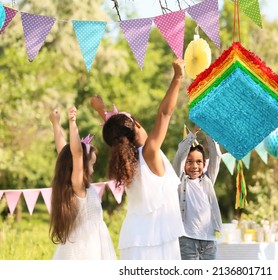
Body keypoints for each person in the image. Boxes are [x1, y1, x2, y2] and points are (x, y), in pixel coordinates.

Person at [91, 58, 186, 260]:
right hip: (157, 244)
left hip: (134, 242)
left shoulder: (128, 160)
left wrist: (102, 110)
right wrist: (178, 77)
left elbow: (116, 130)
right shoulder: (149, 153)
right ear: (135, 124)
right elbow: (164, 114)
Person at [49, 107, 117, 260]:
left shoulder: (77, 185)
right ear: (80, 166)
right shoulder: (78, 186)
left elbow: (63, 152)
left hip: (92, 242)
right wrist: (72, 122)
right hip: (86, 247)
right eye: (90, 164)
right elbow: (76, 153)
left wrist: (55, 124)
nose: (92, 170)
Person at [172, 125, 223, 260]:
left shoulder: (208, 180)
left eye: (199, 162)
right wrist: (193, 132)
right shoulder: (180, 180)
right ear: (184, 164)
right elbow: (179, 156)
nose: (194, 166)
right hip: (187, 240)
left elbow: (217, 155)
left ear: (204, 164)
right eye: (189, 162)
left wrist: (208, 131)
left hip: (209, 241)